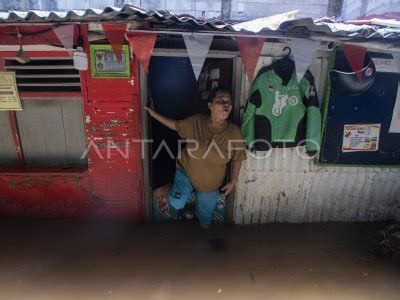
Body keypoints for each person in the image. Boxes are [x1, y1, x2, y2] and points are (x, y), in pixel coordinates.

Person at [145, 88, 247, 228]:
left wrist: (233, 181)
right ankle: (172, 189)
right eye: (221, 101)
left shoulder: (234, 132)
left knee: (205, 221)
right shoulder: (196, 122)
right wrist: (154, 114)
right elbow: (175, 125)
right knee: (176, 203)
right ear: (210, 106)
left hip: (211, 183)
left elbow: (238, 157)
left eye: (228, 102)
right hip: (186, 171)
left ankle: (203, 242)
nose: (226, 104)